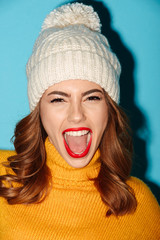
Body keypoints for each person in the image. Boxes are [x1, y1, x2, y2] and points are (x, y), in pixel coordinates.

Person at [0, 2, 160, 239]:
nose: (77, 115)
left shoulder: (140, 205)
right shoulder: (4, 180)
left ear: (109, 109)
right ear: (39, 111)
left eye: (92, 97)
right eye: (58, 100)